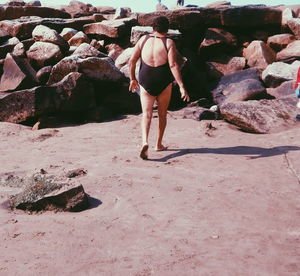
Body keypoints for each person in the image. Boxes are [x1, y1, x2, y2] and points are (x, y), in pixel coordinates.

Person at [129, 16, 189, 160]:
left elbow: (132, 61)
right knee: (162, 114)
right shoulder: (169, 42)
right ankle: (158, 144)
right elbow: (173, 65)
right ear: (167, 29)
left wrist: (132, 79)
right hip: (163, 81)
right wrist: (181, 86)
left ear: (153, 28)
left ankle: (144, 141)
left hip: (145, 80)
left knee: (147, 114)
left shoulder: (143, 40)